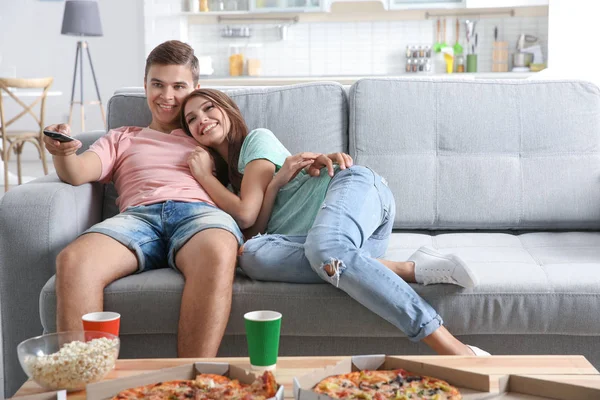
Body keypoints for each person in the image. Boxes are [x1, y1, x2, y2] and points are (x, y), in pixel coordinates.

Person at [179, 88, 489, 356]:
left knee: (326, 249)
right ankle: (406, 268)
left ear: (228, 110)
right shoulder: (230, 189)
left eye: (208, 107)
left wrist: (204, 176)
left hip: (354, 193)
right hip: (332, 247)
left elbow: (246, 214)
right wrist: (275, 185)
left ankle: (454, 348)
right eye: (191, 119)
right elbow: (253, 232)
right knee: (251, 257)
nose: (201, 118)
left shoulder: (255, 142)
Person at [42, 41, 243, 357]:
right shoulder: (123, 137)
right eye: (157, 84)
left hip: (199, 215)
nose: (167, 96)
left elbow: (259, 162)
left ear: (196, 88)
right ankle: (82, 384)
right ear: (145, 85)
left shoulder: (207, 134)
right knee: (73, 260)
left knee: (219, 250)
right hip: (137, 219)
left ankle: (189, 384)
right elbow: (78, 173)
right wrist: (64, 152)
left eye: (179, 86)